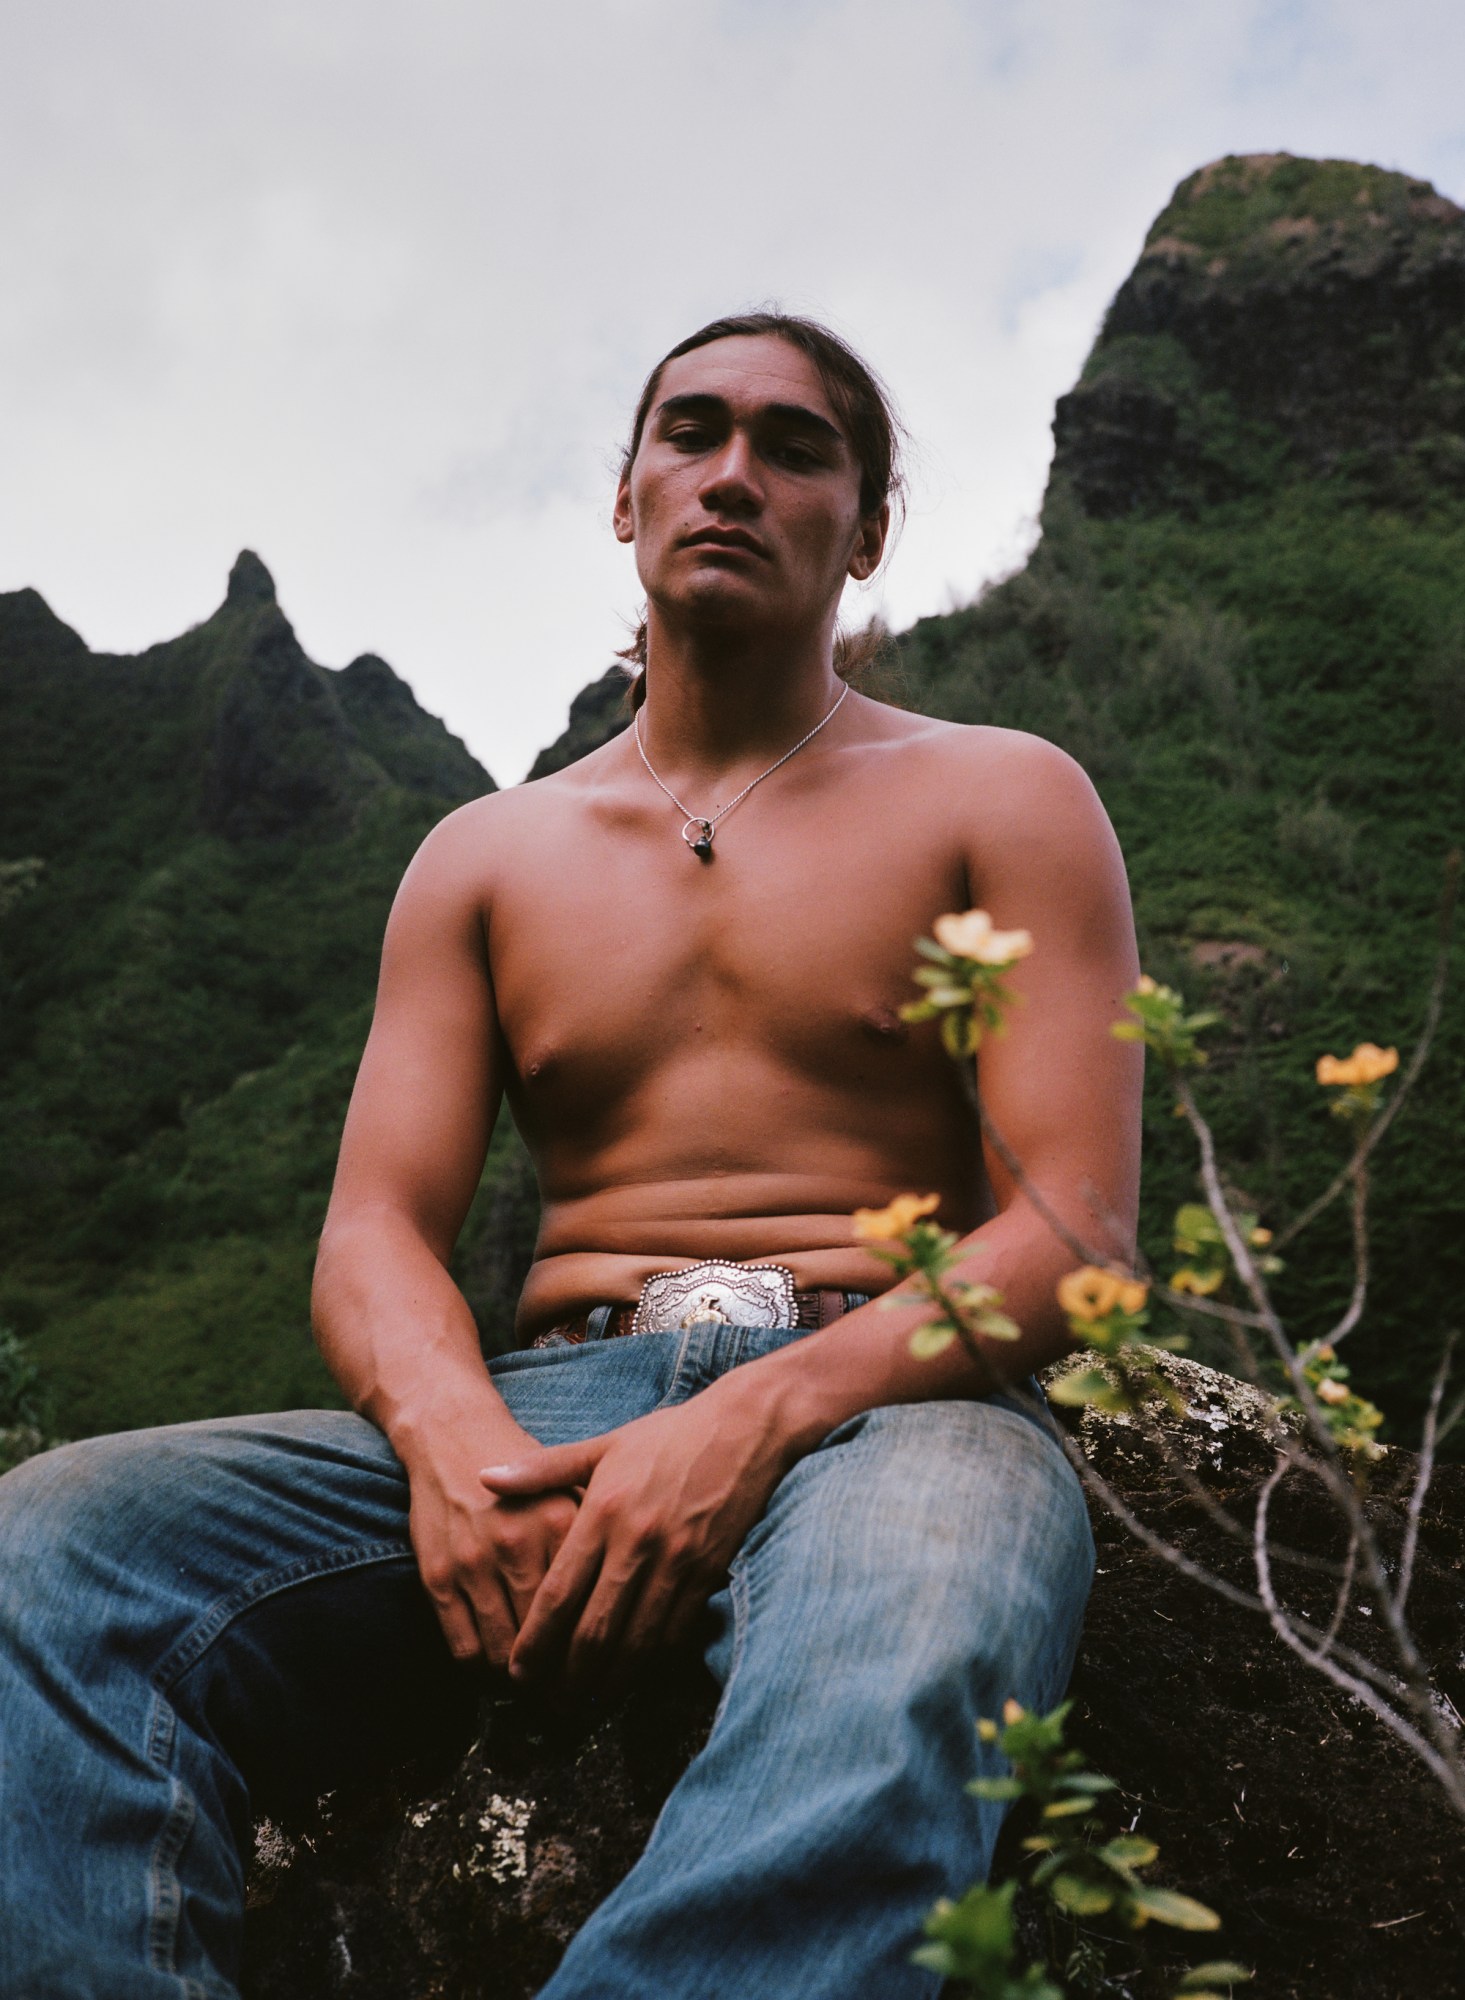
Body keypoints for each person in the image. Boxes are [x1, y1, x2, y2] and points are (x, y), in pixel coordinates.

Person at [0, 312, 1141, 1999]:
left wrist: (753, 1415)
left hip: (884, 1412)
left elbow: (1071, 1230)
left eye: (796, 444)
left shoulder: (1001, 795)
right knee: (53, 1547)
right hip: (542, 1415)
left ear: (870, 527)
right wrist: (451, 1437)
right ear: (627, 496)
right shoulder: (486, 856)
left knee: (920, 1616)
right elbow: (377, 1229)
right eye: (691, 433)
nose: (733, 473)